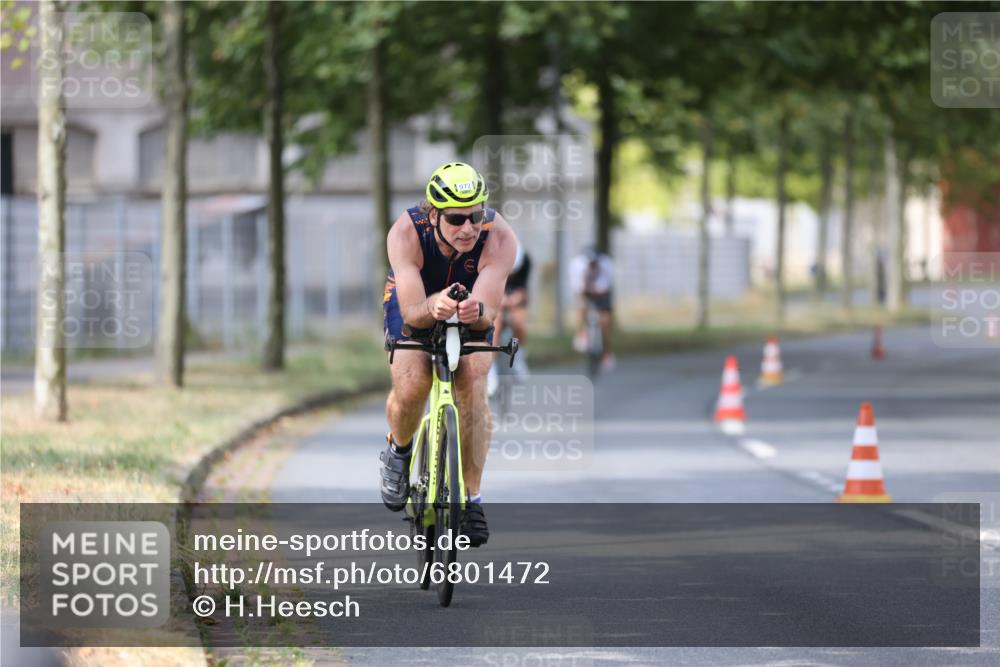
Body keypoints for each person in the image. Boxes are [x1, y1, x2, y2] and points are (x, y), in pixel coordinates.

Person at [380, 162, 517, 547]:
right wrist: (433, 306)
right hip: (417, 301)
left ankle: (472, 499)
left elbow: (488, 310)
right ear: (434, 214)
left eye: (475, 215)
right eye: (457, 219)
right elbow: (410, 312)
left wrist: (477, 314)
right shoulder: (406, 232)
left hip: (472, 304)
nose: (469, 228)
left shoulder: (499, 237)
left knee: (473, 383)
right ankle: (399, 450)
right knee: (413, 383)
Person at [487, 240, 531, 395]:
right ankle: (491, 372)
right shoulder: (492, 257)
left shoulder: (525, 261)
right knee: (495, 327)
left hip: (514, 295)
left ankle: (519, 358)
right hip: (496, 294)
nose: (511, 275)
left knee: (519, 322)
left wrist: (516, 299)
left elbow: (523, 289)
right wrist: (500, 299)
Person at [569, 245, 615, 370]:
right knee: (582, 306)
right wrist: (587, 289)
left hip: (602, 292)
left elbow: (606, 287)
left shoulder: (606, 265)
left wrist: (596, 291)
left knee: (605, 321)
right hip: (586, 291)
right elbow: (578, 289)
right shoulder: (578, 266)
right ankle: (583, 332)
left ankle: (606, 352)